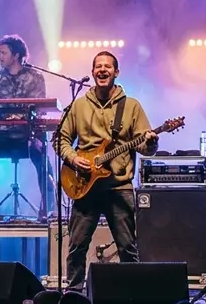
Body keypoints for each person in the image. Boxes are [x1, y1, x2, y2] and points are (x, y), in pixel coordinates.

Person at [55, 50, 158, 291]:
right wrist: (73, 159)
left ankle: (132, 298)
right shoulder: (78, 105)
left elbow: (145, 146)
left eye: (107, 66)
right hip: (84, 186)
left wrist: (151, 143)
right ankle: (73, 298)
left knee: (127, 247)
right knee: (77, 247)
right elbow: (60, 140)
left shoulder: (131, 106)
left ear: (116, 72)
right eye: (98, 66)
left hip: (118, 187)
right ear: (92, 72)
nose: (102, 70)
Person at [0, 35, 55, 218]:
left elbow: (40, 109)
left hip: (27, 137)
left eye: (3, 52)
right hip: (2, 137)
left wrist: (20, 117)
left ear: (16, 55)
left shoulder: (35, 77)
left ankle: (49, 209)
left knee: (43, 160)